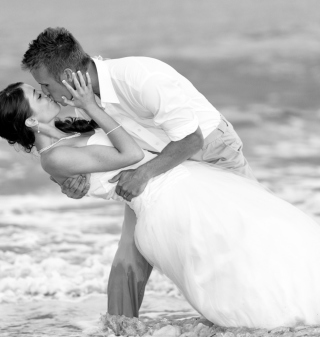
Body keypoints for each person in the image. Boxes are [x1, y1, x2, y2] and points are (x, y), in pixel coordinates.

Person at [1, 73, 320, 330]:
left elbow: (118, 144)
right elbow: (131, 154)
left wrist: (87, 107)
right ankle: (271, 312)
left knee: (251, 236)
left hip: (179, 181)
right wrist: (91, 107)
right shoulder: (55, 158)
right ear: (30, 122)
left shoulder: (65, 136)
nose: (48, 95)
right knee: (233, 250)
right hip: (166, 200)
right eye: (39, 96)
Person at [21, 27, 255, 317]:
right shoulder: (79, 100)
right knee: (131, 250)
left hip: (212, 150)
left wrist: (142, 174)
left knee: (245, 236)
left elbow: (191, 139)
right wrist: (73, 182)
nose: (46, 93)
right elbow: (87, 147)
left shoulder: (140, 78)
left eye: (44, 86)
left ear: (68, 75)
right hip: (156, 166)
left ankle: (247, 316)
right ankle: (120, 327)